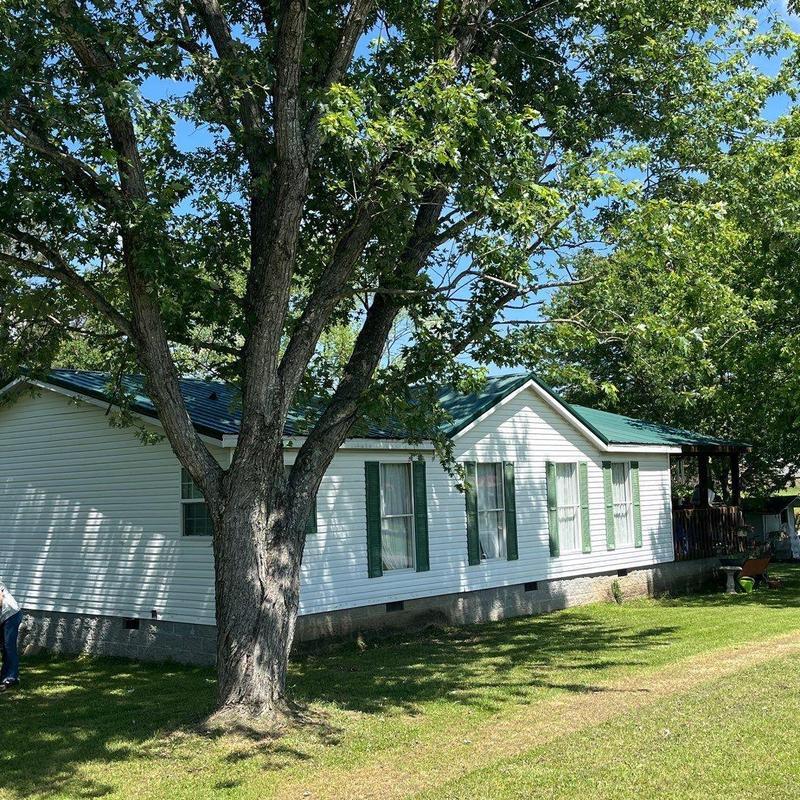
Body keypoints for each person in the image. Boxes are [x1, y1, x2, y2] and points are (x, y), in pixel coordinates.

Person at [0, 579, 22, 692]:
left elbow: (0, 600)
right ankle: (4, 675)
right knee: (4, 647)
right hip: (3, 618)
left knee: (9, 646)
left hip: (11, 615)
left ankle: (12, 677)